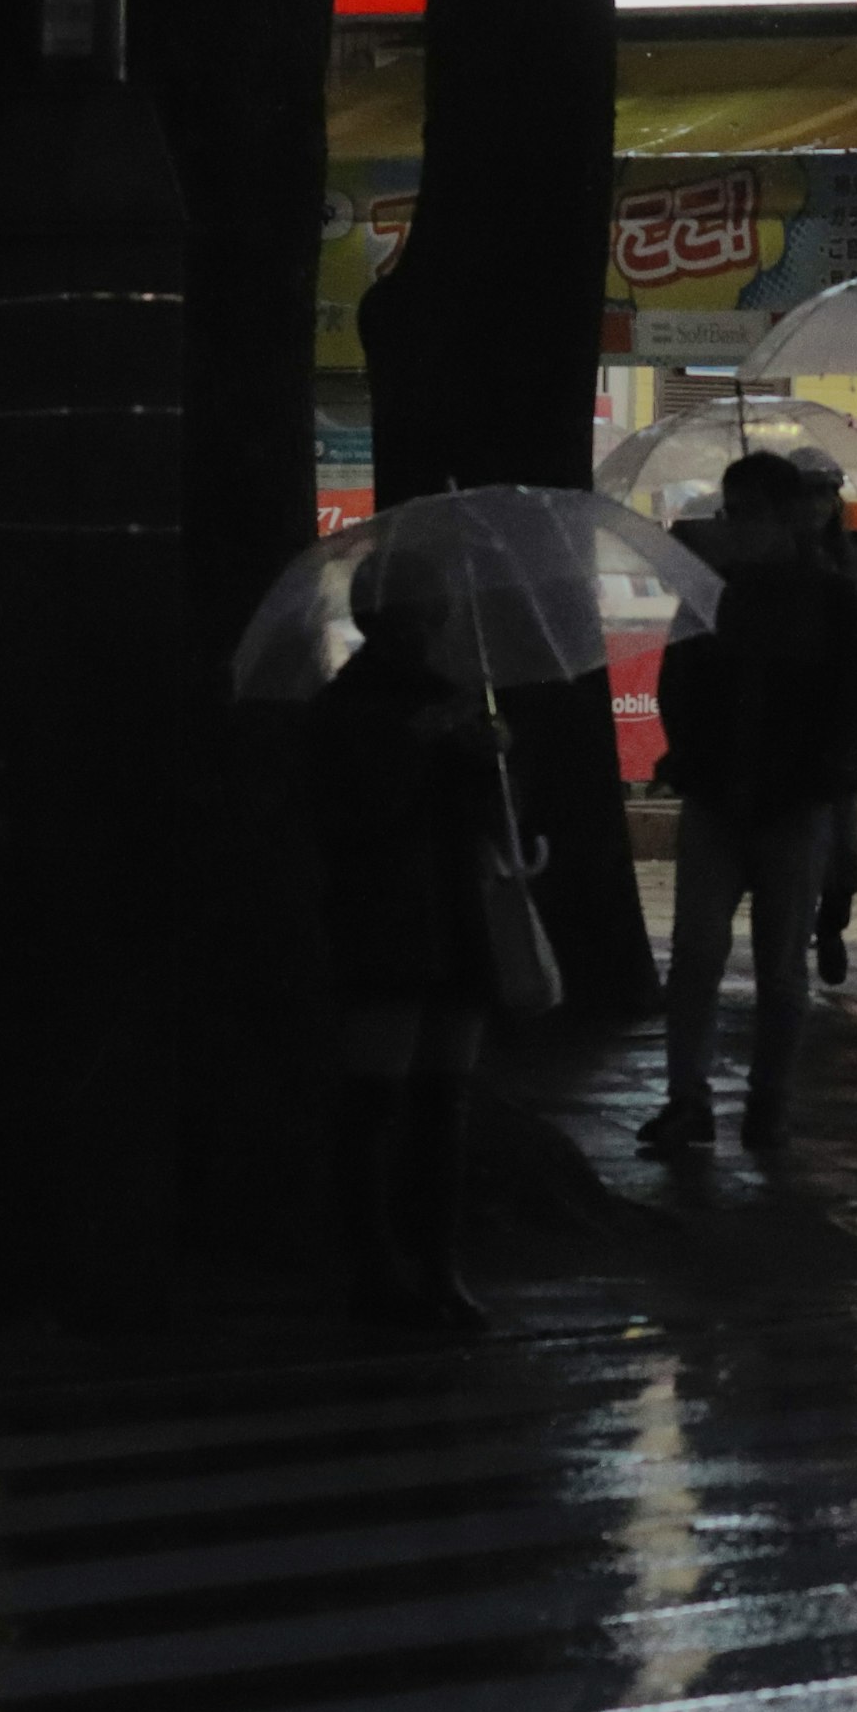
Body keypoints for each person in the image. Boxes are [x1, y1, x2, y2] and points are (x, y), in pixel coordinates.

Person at [641, 453, 857, 1156]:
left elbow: (850, 706)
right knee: (701, 955)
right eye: (731, 512)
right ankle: (698, 1100)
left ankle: (760, 1101)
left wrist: (830, 792)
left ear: (782, 518)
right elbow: (676, 683)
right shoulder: (717, 595)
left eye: (746, 513)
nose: (735, 527)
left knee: (776, 964)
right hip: (729, 794)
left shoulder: (830, 600)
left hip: (785, 799)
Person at [310, 559, 507, 1329]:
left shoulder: (452, 698)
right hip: (388, 914)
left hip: (453, 910)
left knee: (442, 1099)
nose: (440, 624)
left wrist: (490, 754)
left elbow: (496, 820)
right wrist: (416, 746)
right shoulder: (351, 705)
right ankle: (379, 1264)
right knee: (380, 1096)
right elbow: (350, 811)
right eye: (428, 612)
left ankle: (436, 1261)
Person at [802, 457, 857, 991]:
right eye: (807, 493)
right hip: (794, 727)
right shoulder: (777, 567)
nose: (816, 504)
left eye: (824, 493)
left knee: (845, 853)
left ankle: (830, 924)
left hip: (846, 727)